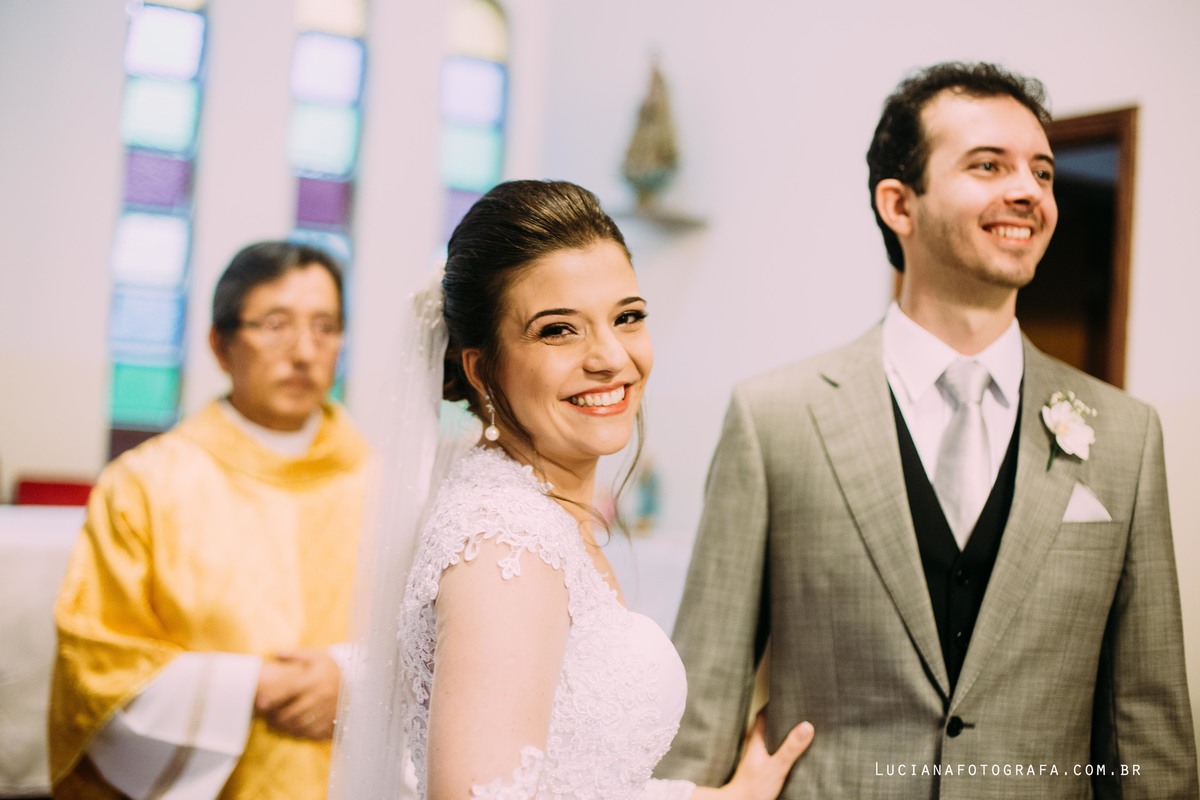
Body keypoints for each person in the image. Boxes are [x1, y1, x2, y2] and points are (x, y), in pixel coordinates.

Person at [658, 62, 1198, 799]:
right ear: (899, 205)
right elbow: (705, 699)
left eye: (1042, 171)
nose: (1029, 191)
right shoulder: (776, 419)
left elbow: (1148, 730)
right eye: (989, 165)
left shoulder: (1126, 437)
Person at [332, 180, 813, 799]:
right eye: (559, 330)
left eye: (627, 317)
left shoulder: (532, 509)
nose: (610, 357)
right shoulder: (505, 546)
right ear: (481, 367)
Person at [49, 241, 369, 799]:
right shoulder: (144, 484)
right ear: (221, 345)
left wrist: (354, 677)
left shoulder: (383, 483)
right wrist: (250, 687)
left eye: (325, 327)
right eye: (275, 325)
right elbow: (99, 665)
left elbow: (437, 637)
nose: (304, 351)